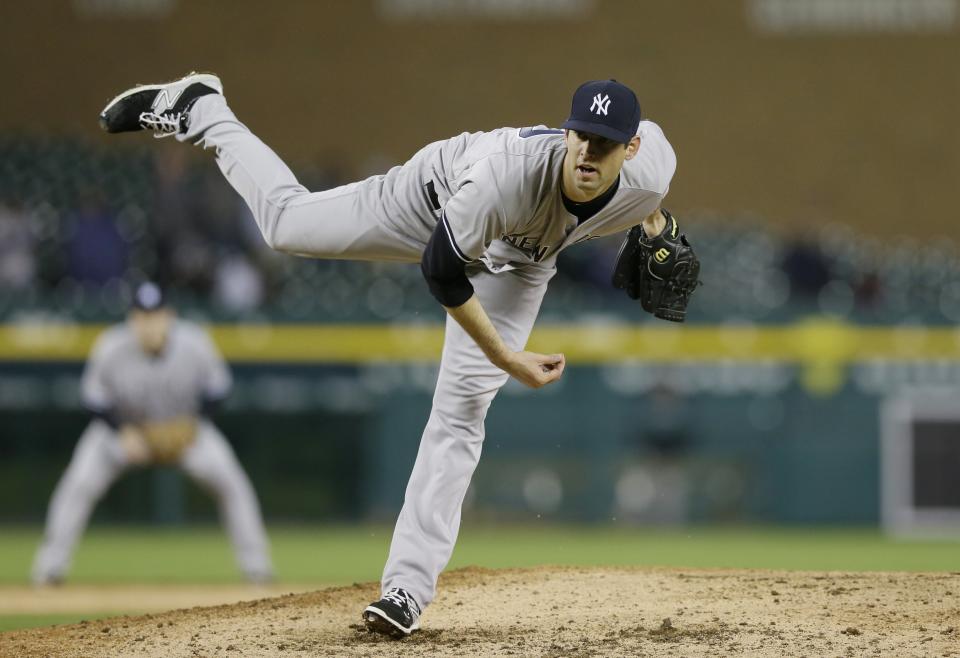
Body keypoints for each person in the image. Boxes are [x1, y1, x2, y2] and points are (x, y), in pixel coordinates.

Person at [99, 73, 680, 636]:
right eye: (579, 135)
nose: (586, 151)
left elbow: (653, 184)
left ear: (629, 148)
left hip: (523, 261)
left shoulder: (648, 173)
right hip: (434, 202)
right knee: (285, 225)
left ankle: (405, 590)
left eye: (604, 143)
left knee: (461, 413)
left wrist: (655, 223)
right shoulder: (507, 177)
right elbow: (442, 270)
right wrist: (507, 356)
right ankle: (204, 111)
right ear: (566, 131)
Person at [32, 281, 274, 585]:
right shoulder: (111, 345)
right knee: (79, 483)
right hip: (123, 432)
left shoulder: (194, 342)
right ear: (132, 319)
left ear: (169, 316)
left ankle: (257, 568)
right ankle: (49, 568)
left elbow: (218, 389)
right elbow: (93, 399)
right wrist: (122, 432)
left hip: (185, 432)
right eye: (142, 316)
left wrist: (194, 423)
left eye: (155, 314)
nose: (149, 323)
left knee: (231, 481)